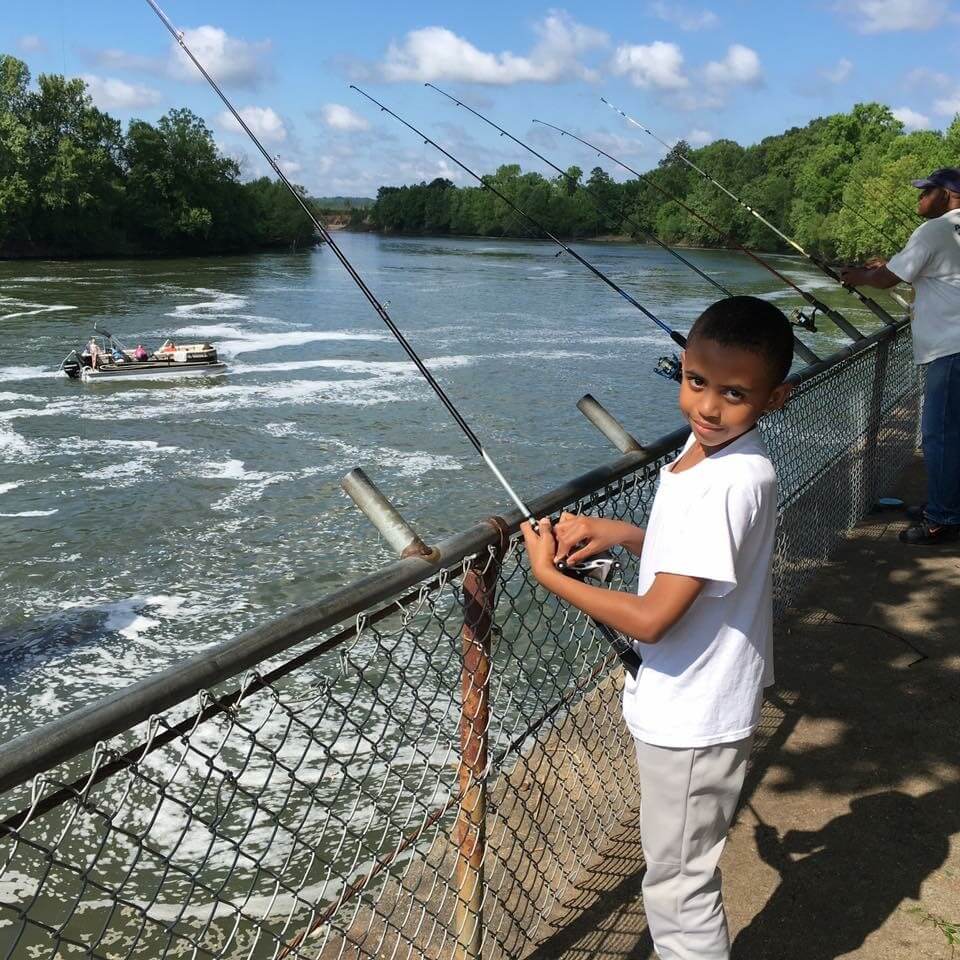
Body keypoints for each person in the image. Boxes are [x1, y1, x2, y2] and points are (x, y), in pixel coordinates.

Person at [521, 296, 793, 960]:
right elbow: (696, 557)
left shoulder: (731, 478)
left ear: (776, 398)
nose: (706, 406)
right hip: (690, 704)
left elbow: (654, 616)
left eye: (734, 392)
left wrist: (551, 577)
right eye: (695, 381)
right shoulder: (710, 456)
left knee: (677, 886)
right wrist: (620, 533)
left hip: (695, 717)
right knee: (676, 869)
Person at [840, 167, 960, 545]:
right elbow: (930, 272)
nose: (920, 198)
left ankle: (943, 519)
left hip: (950, 349)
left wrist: (856, 276)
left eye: (926, 191)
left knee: (939, 436)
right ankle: (946, 504)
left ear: (947, 194)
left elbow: (888, 279)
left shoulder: (935, 230)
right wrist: (885, 267)